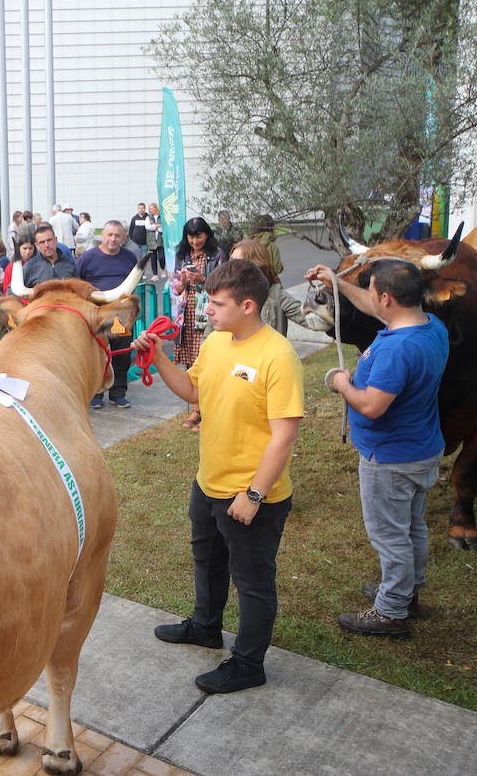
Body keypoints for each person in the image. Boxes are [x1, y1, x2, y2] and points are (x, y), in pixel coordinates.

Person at [134, 258, 304, 694]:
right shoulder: (215, 342)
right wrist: (159, 357)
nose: (206, 310)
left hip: (250, 494)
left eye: (216, 302)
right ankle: (206, 626)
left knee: (252, 581)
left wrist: (254, 494)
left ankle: (249, 663)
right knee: (207, 561)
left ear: (248, 305)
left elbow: (284, 436)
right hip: (207, 481)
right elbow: (194, 391)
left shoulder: (278, 356)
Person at [315, 259, 449, 638]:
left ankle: (391, 611)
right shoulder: (430, 327)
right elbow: (375, 305)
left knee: (390, 537)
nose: (372, 300)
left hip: (390, 459)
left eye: (374, 293)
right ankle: (407, 592)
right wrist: (337, 283)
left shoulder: (396, 349)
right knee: (411, 528)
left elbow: (372, 406)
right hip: (421, 450)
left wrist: (342, 382)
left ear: (387, 298)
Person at [77, 221, 139, 409]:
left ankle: (118, 393)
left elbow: (133, 282)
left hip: (121, 316)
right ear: (102, 236)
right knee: (97, 356)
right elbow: (76, 284)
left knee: (122, 355)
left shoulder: (130, 257)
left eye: (117, 236)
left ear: (123, 237)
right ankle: (96, 394)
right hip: (96, 316)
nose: (113, 239)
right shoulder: (87, 258)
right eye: (109, 235)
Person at [170, 217, 225, 431]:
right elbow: (175, 288)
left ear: (207, 235)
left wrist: (203, 279)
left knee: (209, 362)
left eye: (199, 236)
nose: (195, 241)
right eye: (191, 237)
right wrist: (183, 281)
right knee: (192, 365)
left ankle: (208, 410)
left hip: (208, 314)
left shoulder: (217, 255)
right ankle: (197, 408)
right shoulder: (182, 255)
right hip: (187, 316)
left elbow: (224, 286)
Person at [230, 239, 322, 337]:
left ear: (255, 265)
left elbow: (312, 320)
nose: (229, 267)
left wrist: (325, 296)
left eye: (237, 262)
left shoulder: (275, 293)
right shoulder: (225, 296)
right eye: (230, 260)